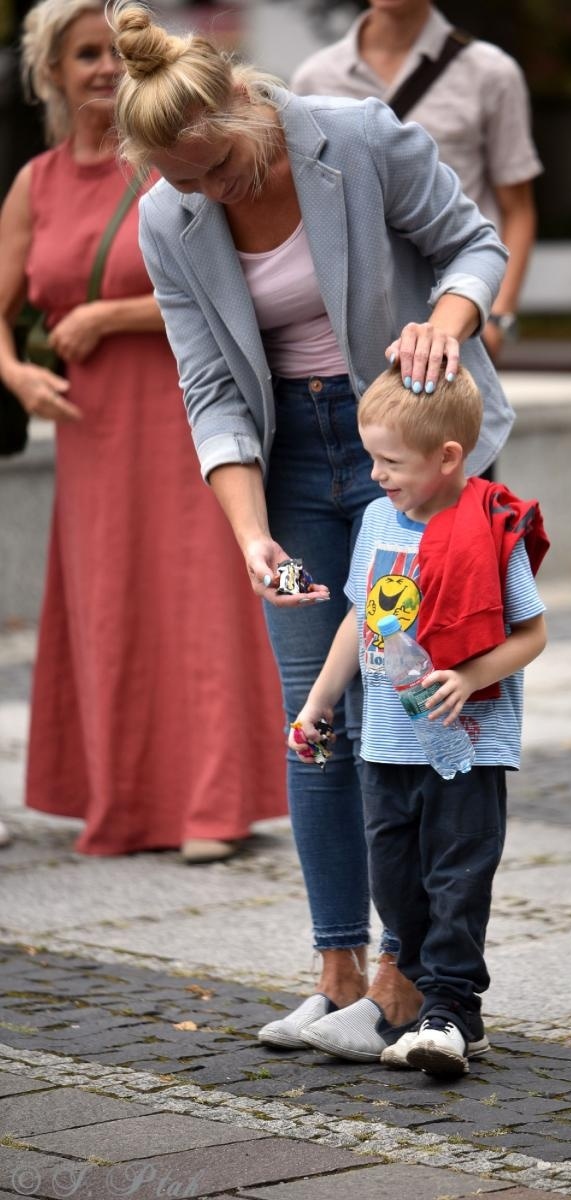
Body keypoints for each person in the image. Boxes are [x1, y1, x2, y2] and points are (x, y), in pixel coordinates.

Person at [109, 1, 515, 1054]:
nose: (206, 194)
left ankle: (408, 975)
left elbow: (475, 242)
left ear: (244, 101)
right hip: (290, 461)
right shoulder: (169, 215)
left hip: (407, 453)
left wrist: (445, 322)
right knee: (315, 712)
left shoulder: (359, 136)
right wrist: (252, 537)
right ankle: (336, 969)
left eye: (219, 170)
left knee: (415, 696)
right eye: (184, 181)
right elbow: (210, 386)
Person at [0, 0, 286, 863]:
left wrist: (109, 316)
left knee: (201, 603)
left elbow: (227, 290)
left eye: (109, 54)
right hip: (90, 434)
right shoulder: (36, 182)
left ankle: (212, 807)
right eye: (82, 56)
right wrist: (15, 372)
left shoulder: (173, 165)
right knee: (114, 608)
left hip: (182, 413)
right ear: (50, 72)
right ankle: (121, 807)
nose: (101, 70)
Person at [288, 365, 548, 1074]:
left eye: (390, 462)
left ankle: (451, 1013)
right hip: (385, 743)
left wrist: (468, 676)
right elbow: (358, 617)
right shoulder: (376, 521)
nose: (374, 475)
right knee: (395, 883)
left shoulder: (490, 527)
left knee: (456, 880)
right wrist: (319, 701)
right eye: (370, 457)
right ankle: (428, 1002)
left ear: (448, 458)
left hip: (464, 748)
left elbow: (531, 635)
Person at [291, 0, 540, 365]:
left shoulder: (491, 72)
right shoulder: (315, 78)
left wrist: (498, 317)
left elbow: (517, 208)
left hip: (455, 312)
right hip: (350, 329)